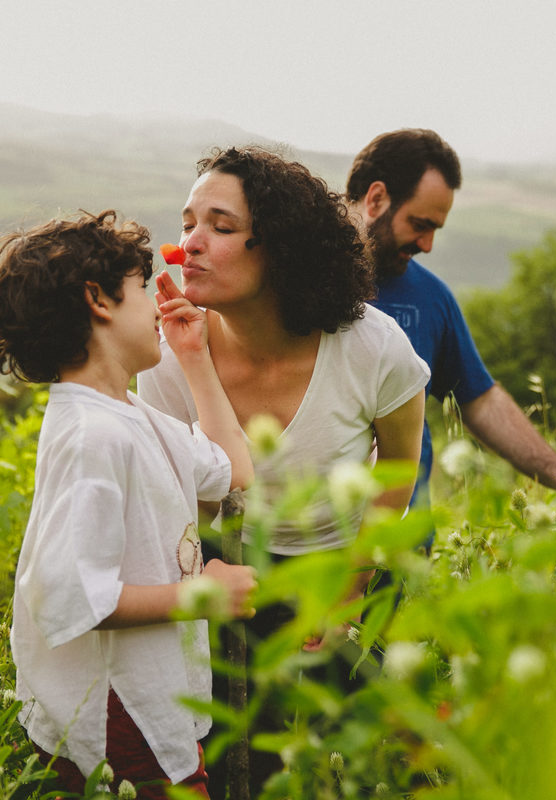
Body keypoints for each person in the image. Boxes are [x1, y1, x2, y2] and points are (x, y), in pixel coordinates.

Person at [137, 146, 429, 795]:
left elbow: (402, 467)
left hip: (346, 577)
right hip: (225, 589)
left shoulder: (373, 347)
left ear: (281, 248)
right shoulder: (168, 360)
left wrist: (347, 592)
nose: (188, 245)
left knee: (369, 771)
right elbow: (169, 505)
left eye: (219, 226)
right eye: (188, 224)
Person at [0, 209, 257, 799]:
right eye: (141, 289)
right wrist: (202, 594)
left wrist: (194, 358)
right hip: (117, 718)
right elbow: (73, 593)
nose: (159, 305)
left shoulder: (131, 414)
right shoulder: (91, 434)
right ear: (98, 300)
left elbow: (236, 470)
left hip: (150, 702)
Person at [344, 128, 556, 516]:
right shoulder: (295, 281)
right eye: (419, 224)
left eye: (434, 230)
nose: (427, 245)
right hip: (311, 545)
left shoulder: (432, 297)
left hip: (405, 547)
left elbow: (479, 400)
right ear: (376, 198)